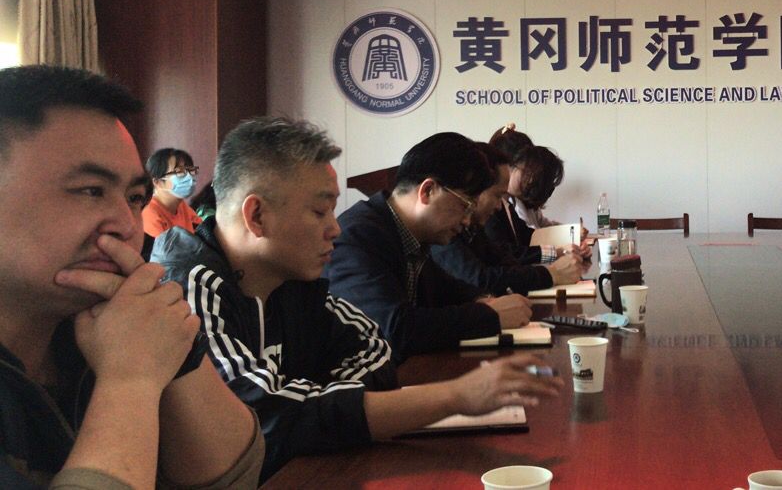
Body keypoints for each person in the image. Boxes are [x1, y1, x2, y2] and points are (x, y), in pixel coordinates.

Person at [154, 117, 560, 481]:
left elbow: (376, 351)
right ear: (257, 216)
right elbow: (263, 417)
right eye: (320, 212)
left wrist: (312, 405)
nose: (335, 228)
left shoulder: (293, 279)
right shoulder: (188, 290)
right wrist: (457, 396)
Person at [0, 65, 262, 489]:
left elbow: (234, 476)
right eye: (91, 190)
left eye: (134, 198)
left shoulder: (103, 327)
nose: (128, 226)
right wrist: (130, 380)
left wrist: (168, 342)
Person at [326, 132, 534, 363]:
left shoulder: (413, 234)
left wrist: (484, 299)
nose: (467, 221)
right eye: (465, 205)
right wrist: (490, 315)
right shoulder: (358, 236)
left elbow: (447, 288)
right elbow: (394, 329)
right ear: (428, 191)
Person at [431, 143, 585, 295]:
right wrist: (552, 273)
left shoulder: (477, 225)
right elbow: (480, 278)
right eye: (497, 195)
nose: (500, 205)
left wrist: (560, 256)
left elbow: (506, 260)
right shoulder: (444, 228)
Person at [142, 147, 204, 238]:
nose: (189, 177)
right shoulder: (149, 213)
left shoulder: (181, 206)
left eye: (190, 170)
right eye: (179, 172)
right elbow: (160, 247)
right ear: (158, 182)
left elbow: (204, 232)